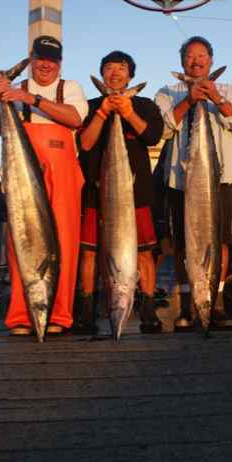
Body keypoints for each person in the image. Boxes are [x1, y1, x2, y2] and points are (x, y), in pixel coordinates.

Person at [0, 35, 88, 336]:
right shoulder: (14, 92)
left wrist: (34, 100)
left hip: (63, 177)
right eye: (40, 58)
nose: (45, 65)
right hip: (23, 173)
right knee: (21, 241)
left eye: (51, 60)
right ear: (31, 59)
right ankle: (20, 315)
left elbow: (76, 119)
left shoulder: (69, 88)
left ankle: (60, 315)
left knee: (65, 245)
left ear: (60, 63)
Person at [154, 36, 232, 329]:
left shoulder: (229, 90)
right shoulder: (167, 92)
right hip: (181, 181)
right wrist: (189, 100)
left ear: (210, 59)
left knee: (220, 240)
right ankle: (186, 305)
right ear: (182, 61)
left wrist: (216, 99)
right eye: (189, 56)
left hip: (220, 179)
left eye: (201, 56)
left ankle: (216, 302)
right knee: (185, 243)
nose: (195, 61)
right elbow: (163, 129)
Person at [77, 50, 164, 334]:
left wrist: (126, 112)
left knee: (144, 253)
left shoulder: (144, 104)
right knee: (89, 254)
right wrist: (104, 113)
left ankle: (148, 308)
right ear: (102, 75)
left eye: (121, 69)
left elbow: (152, 137)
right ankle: (88, 309)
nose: (115, 74)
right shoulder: (89, 106)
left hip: (134, 193)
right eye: (109, 69)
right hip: (94, 191)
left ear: (130, 76)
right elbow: (86, 144)